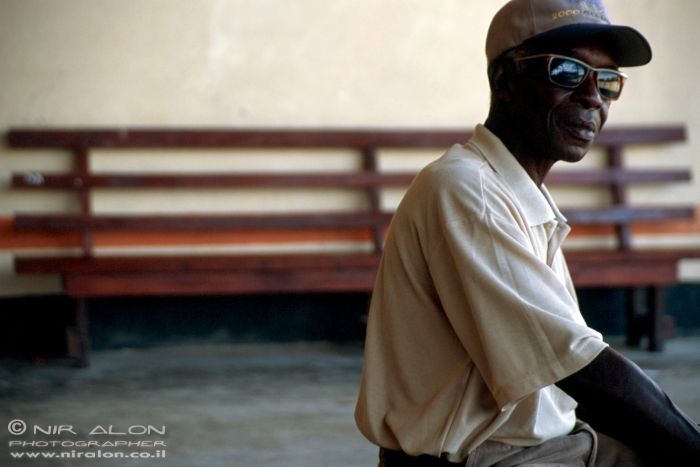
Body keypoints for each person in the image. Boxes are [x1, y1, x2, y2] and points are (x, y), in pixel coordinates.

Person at [355, 0, 700, 465]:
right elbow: (581, 368)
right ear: (506, 80)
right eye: (568, 71)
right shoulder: (467, 188)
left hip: (549, 442)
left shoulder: (511, 189)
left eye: (609, 81)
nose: (593, 96)